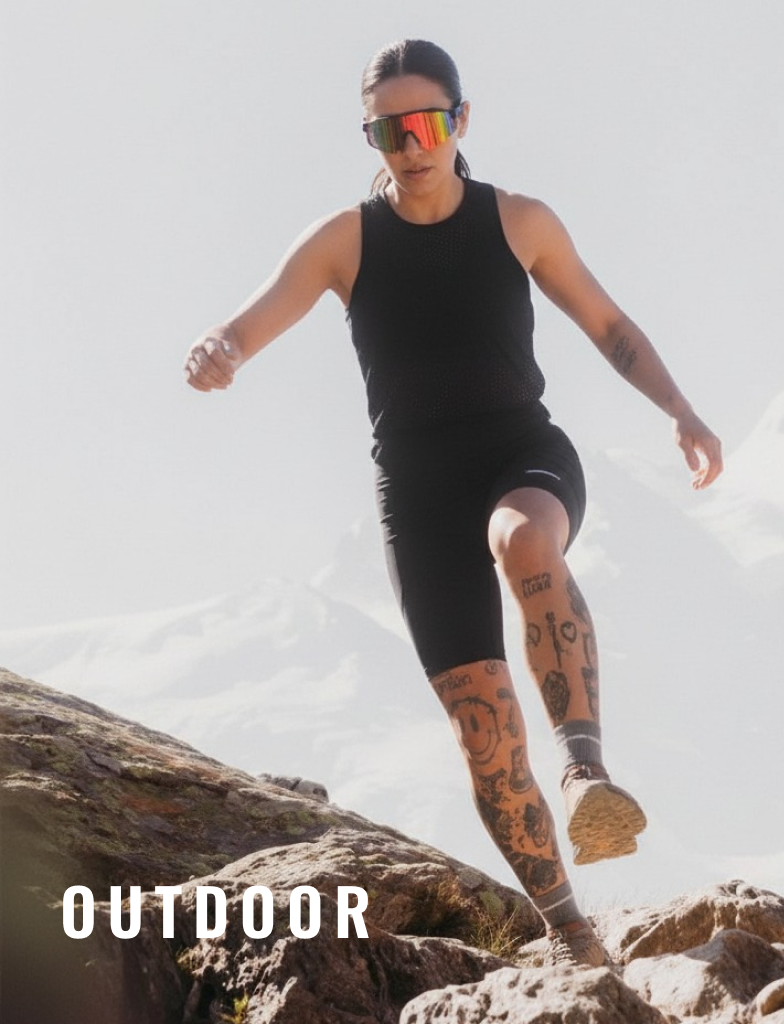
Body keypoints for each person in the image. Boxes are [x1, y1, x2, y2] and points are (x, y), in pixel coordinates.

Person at [184, 38, 723, 967]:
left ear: (461, 121)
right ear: (372, 138)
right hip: (417, 496)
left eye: (427, 122)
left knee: (521, 540)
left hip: (521, 452)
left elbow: (611, 328)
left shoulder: (518, 221)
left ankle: (586, 771)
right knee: (482, 727)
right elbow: (245, 323)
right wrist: (217, 351)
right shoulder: (342, 241)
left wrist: (680, 411)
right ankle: (574, 934)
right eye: (388, 130)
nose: (410, 144)